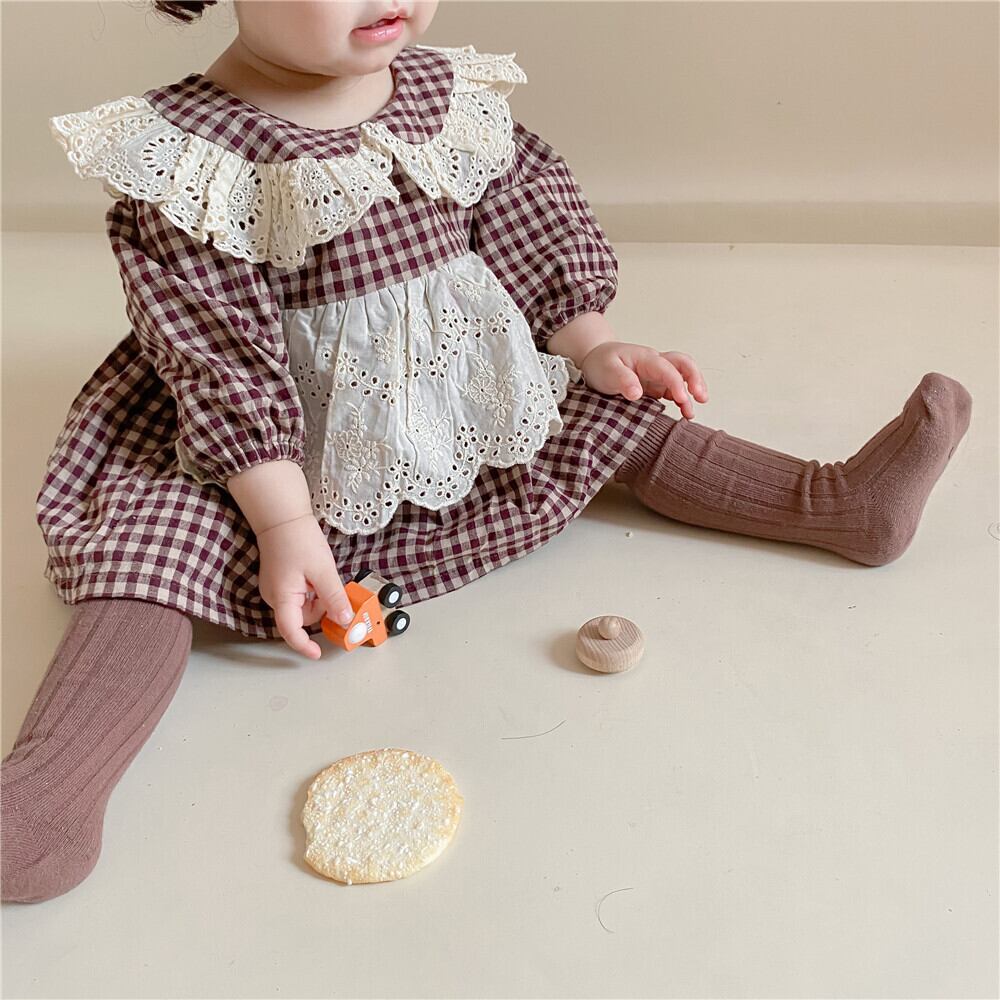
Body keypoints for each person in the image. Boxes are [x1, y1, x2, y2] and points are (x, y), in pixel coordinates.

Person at [2, 0, 971, 904]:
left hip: (455, 386)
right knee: (149, 545)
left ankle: (837, 503)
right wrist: (284, 519)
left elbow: (525, 225)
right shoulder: (196, 158)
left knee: (603, 416)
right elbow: (219, 355)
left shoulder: (439, 95)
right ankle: (50, 792)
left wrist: (591, 341)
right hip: (262, 443)